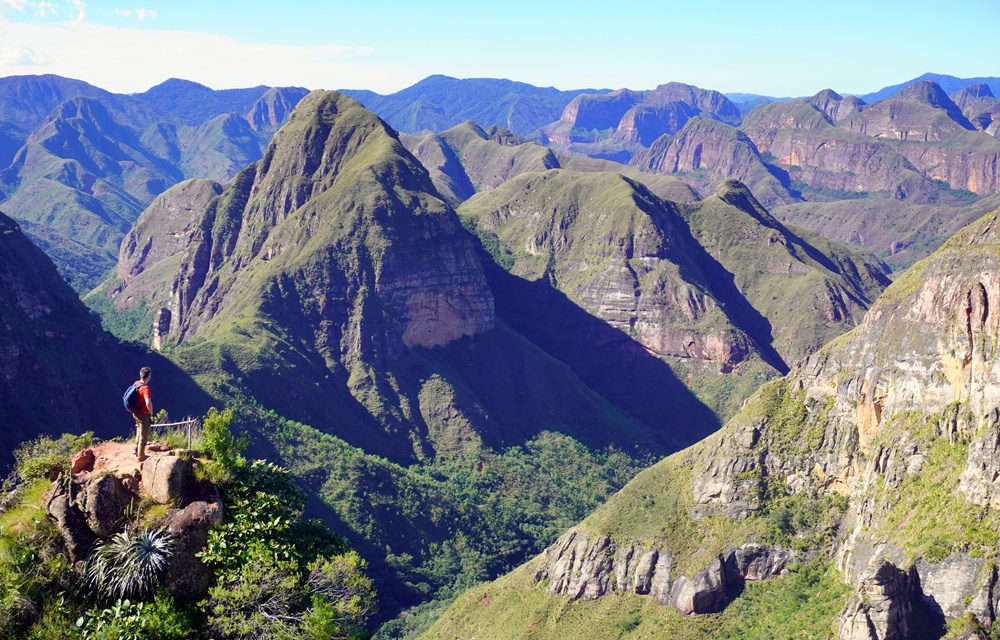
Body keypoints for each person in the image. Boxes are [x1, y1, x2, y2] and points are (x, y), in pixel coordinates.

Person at [132, 367, 153, 461]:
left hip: (135, 412)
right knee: (144, 435)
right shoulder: (145, 388)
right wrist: (151, 412)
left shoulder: (136, 384)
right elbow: (148, 402)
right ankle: (141, 456)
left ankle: (136, 449)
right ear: (148, 376)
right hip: (143, 414)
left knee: (139, 430)